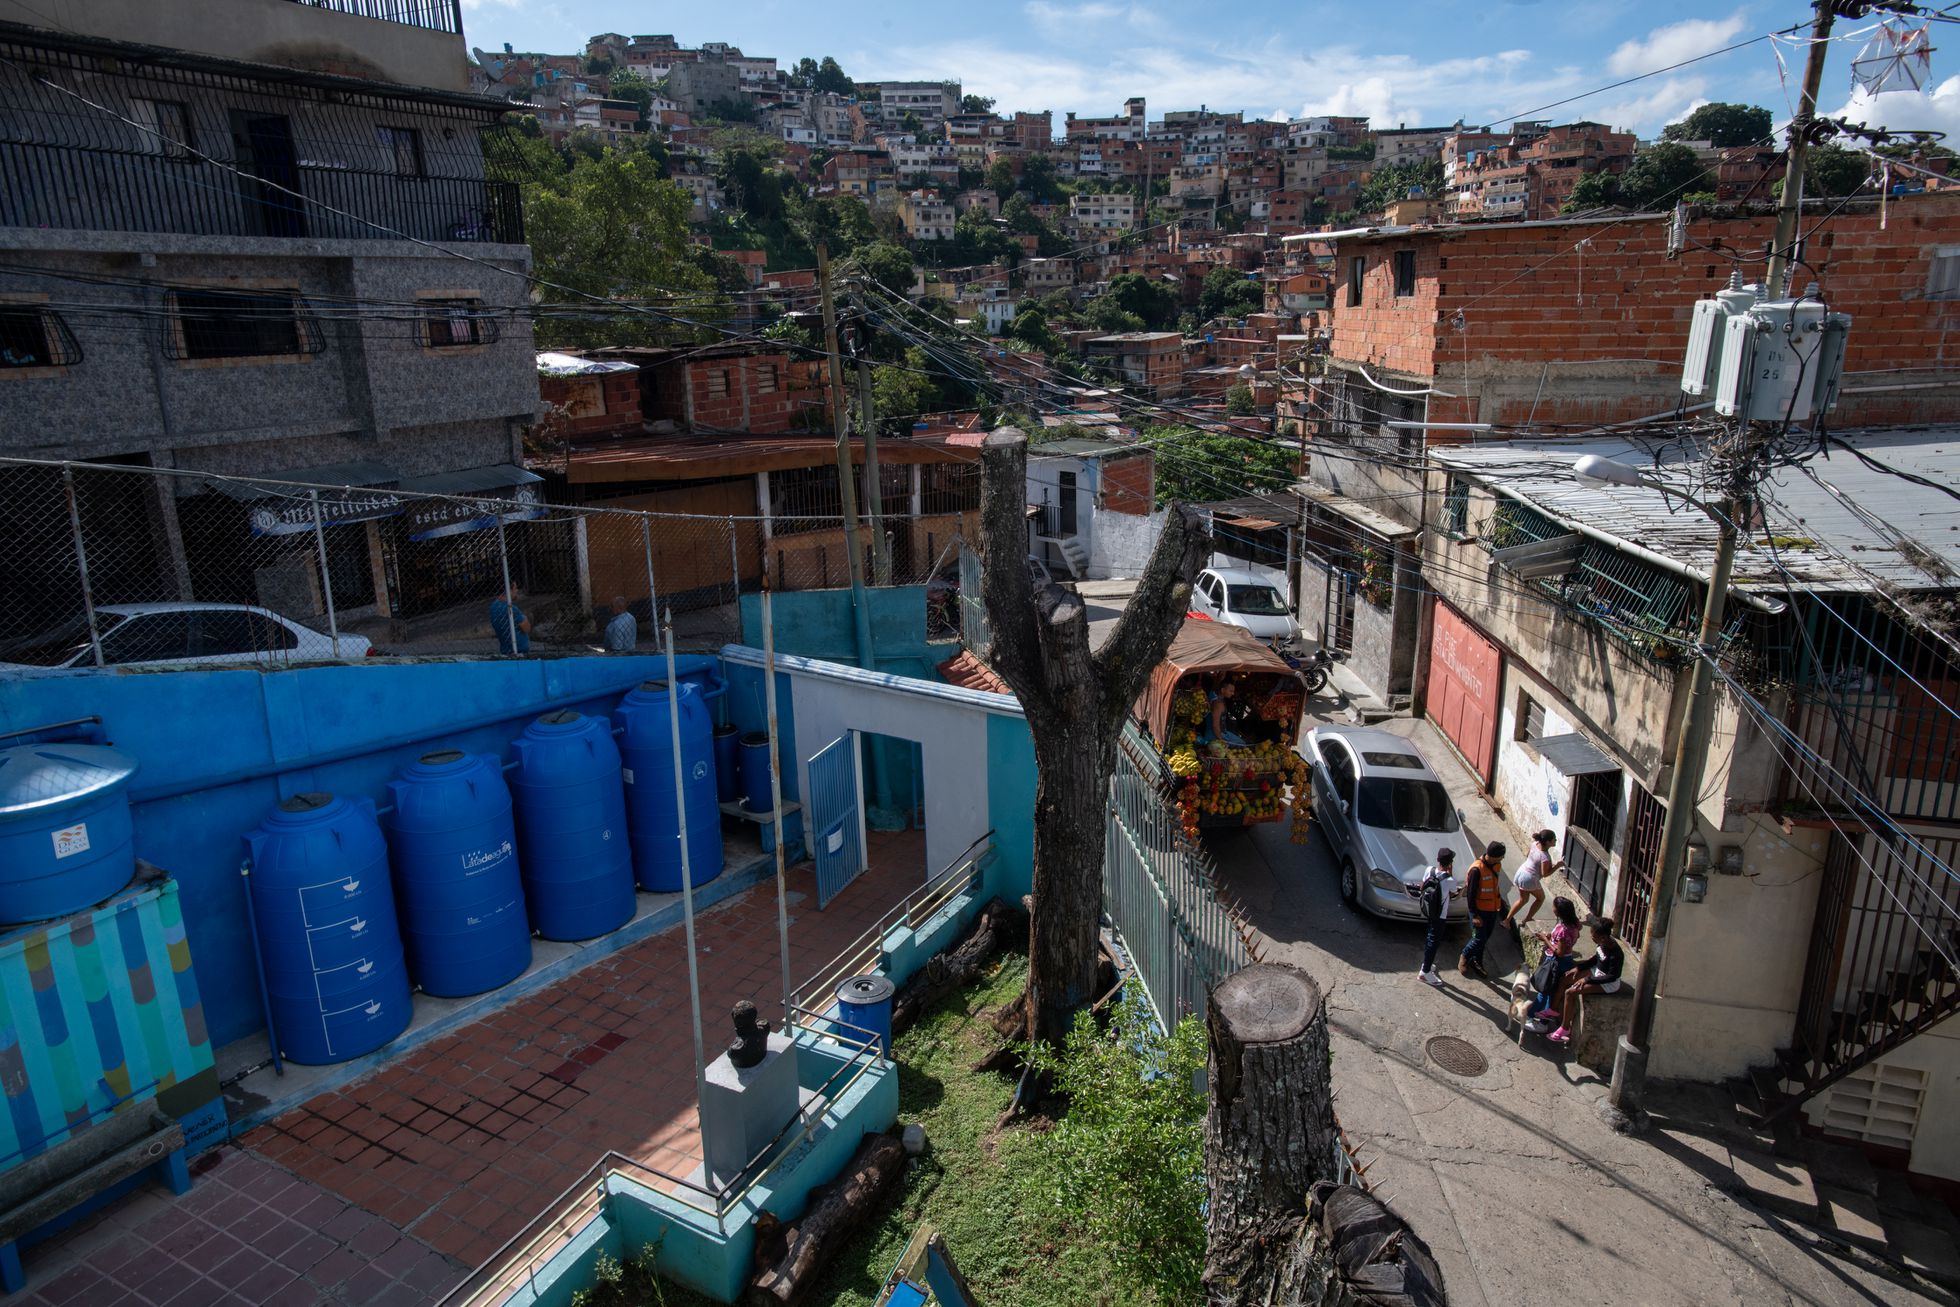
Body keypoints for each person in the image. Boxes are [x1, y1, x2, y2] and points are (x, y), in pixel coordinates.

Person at [1544, 917, 1624, 1045]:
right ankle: (1553, 1011)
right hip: (1596, 972)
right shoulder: (1602, 943)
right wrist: (1578, 968)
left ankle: (1565, 1029)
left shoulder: (1616, 954)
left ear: (1603, 937)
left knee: (1570, 992)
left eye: (1594, 936)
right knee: (1564, 979)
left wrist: (1587, 979)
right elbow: (1596, 958)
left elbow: (1612, 977)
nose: (1591, 937)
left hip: (1607, 983)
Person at [1408, 848, 1461, 987]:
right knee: (1434, 942)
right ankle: (1425, 972)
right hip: (1440, 915)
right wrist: (1450, 873)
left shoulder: (1429, 870)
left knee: (1430, 937)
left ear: (1438, 860)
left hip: (1429, 910)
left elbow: (1422, 886)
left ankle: (1427, 964)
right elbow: (1453, 893)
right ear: (1450, 863)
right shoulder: (1450, 880)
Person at [1527, 896, 1582, 1019]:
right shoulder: (1574, 924)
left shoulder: (1563, 930)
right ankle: (1542, 1019)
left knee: (1545, 991)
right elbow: (1573, 937)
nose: (1552, 908)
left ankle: (1533, 1016)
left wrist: (1545, 939)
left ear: (1558, 911)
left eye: (1554, 906)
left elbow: (1559, 952)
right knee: (1550, 992)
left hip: (1556, 962)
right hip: (1565, 959)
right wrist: (1551, 936)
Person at [1458, 841, 1506, 978]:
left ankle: (1477, 961)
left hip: (1492, 909)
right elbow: (1471, 894)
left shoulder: (1497, 865)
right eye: (1501, 856)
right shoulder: (1476, 870)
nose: (1502, 859)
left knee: (1484, 939)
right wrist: (1474, 915)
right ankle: (1464, 956)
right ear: (1494, 856)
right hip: (1479, 911)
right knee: (1478, 938)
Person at [1504, 829, 1558, 928]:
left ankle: (1506, 921)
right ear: (1548, 842)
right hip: (1530, 878)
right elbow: (1545, 874)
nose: (1555, 841)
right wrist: (1558, 866)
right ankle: (1527, 918)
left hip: (1521, 872)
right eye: (1554, 839)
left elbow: (1528, 854)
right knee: (1540, 898)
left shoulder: (1535, 844)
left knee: (1523, 899)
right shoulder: (1545, 856)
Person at [1206, 679, 1249, 747]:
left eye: (1233, 691)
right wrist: (1222, 740)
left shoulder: (1221, 700)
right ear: (1223, 690)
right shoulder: (1218, 704)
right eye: (1230, 691)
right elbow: (1215, 726)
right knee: (1242, 745)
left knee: (1242, 743)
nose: (1233, 693)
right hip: (1214, 734)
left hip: (1223, 732)